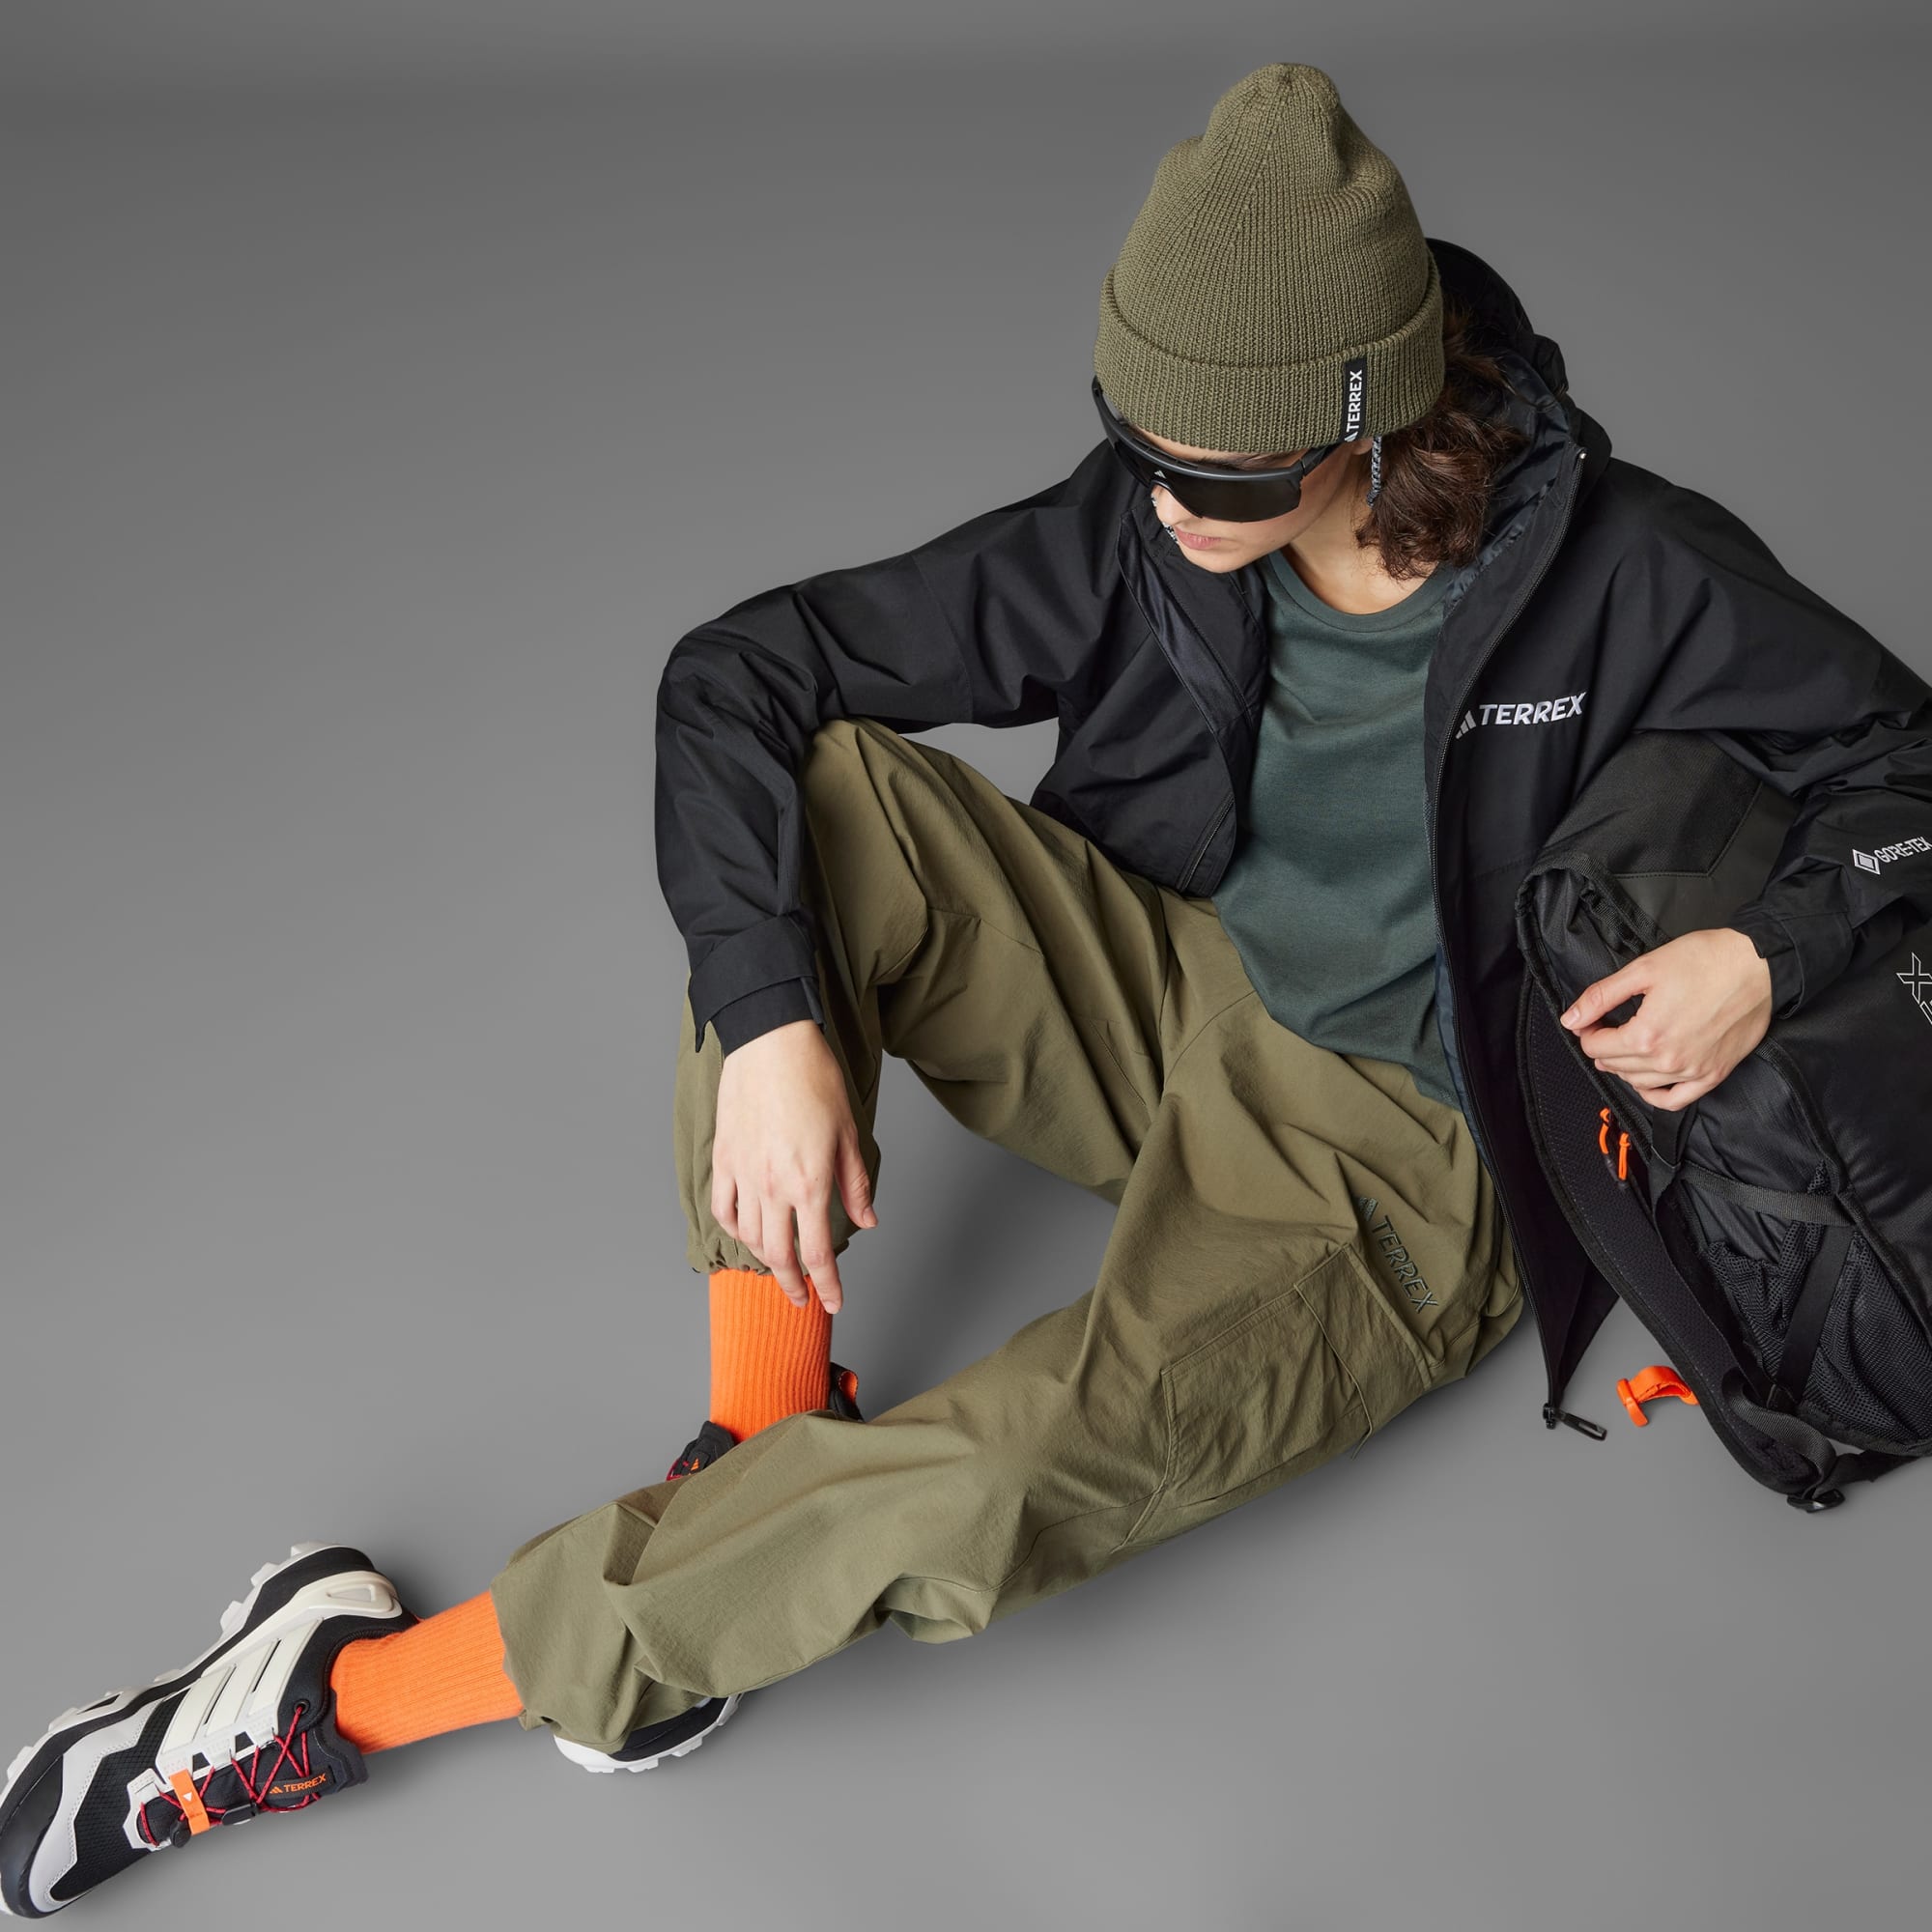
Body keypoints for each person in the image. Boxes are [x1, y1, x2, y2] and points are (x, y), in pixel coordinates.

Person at [7, 60, 1928, 1920]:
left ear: (1360, 422)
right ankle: (762, 1446)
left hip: (1400, 1170)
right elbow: (743, 675)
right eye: (1138, 443)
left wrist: (1757, 956)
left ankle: (330, 1700)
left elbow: (1904, 768)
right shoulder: (1157, 525)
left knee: (992, 1475)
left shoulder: (1630, 573)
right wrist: (771, 1020)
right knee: (830, 801)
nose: (1162, 503)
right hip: (1163, 987)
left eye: (1214, 469)